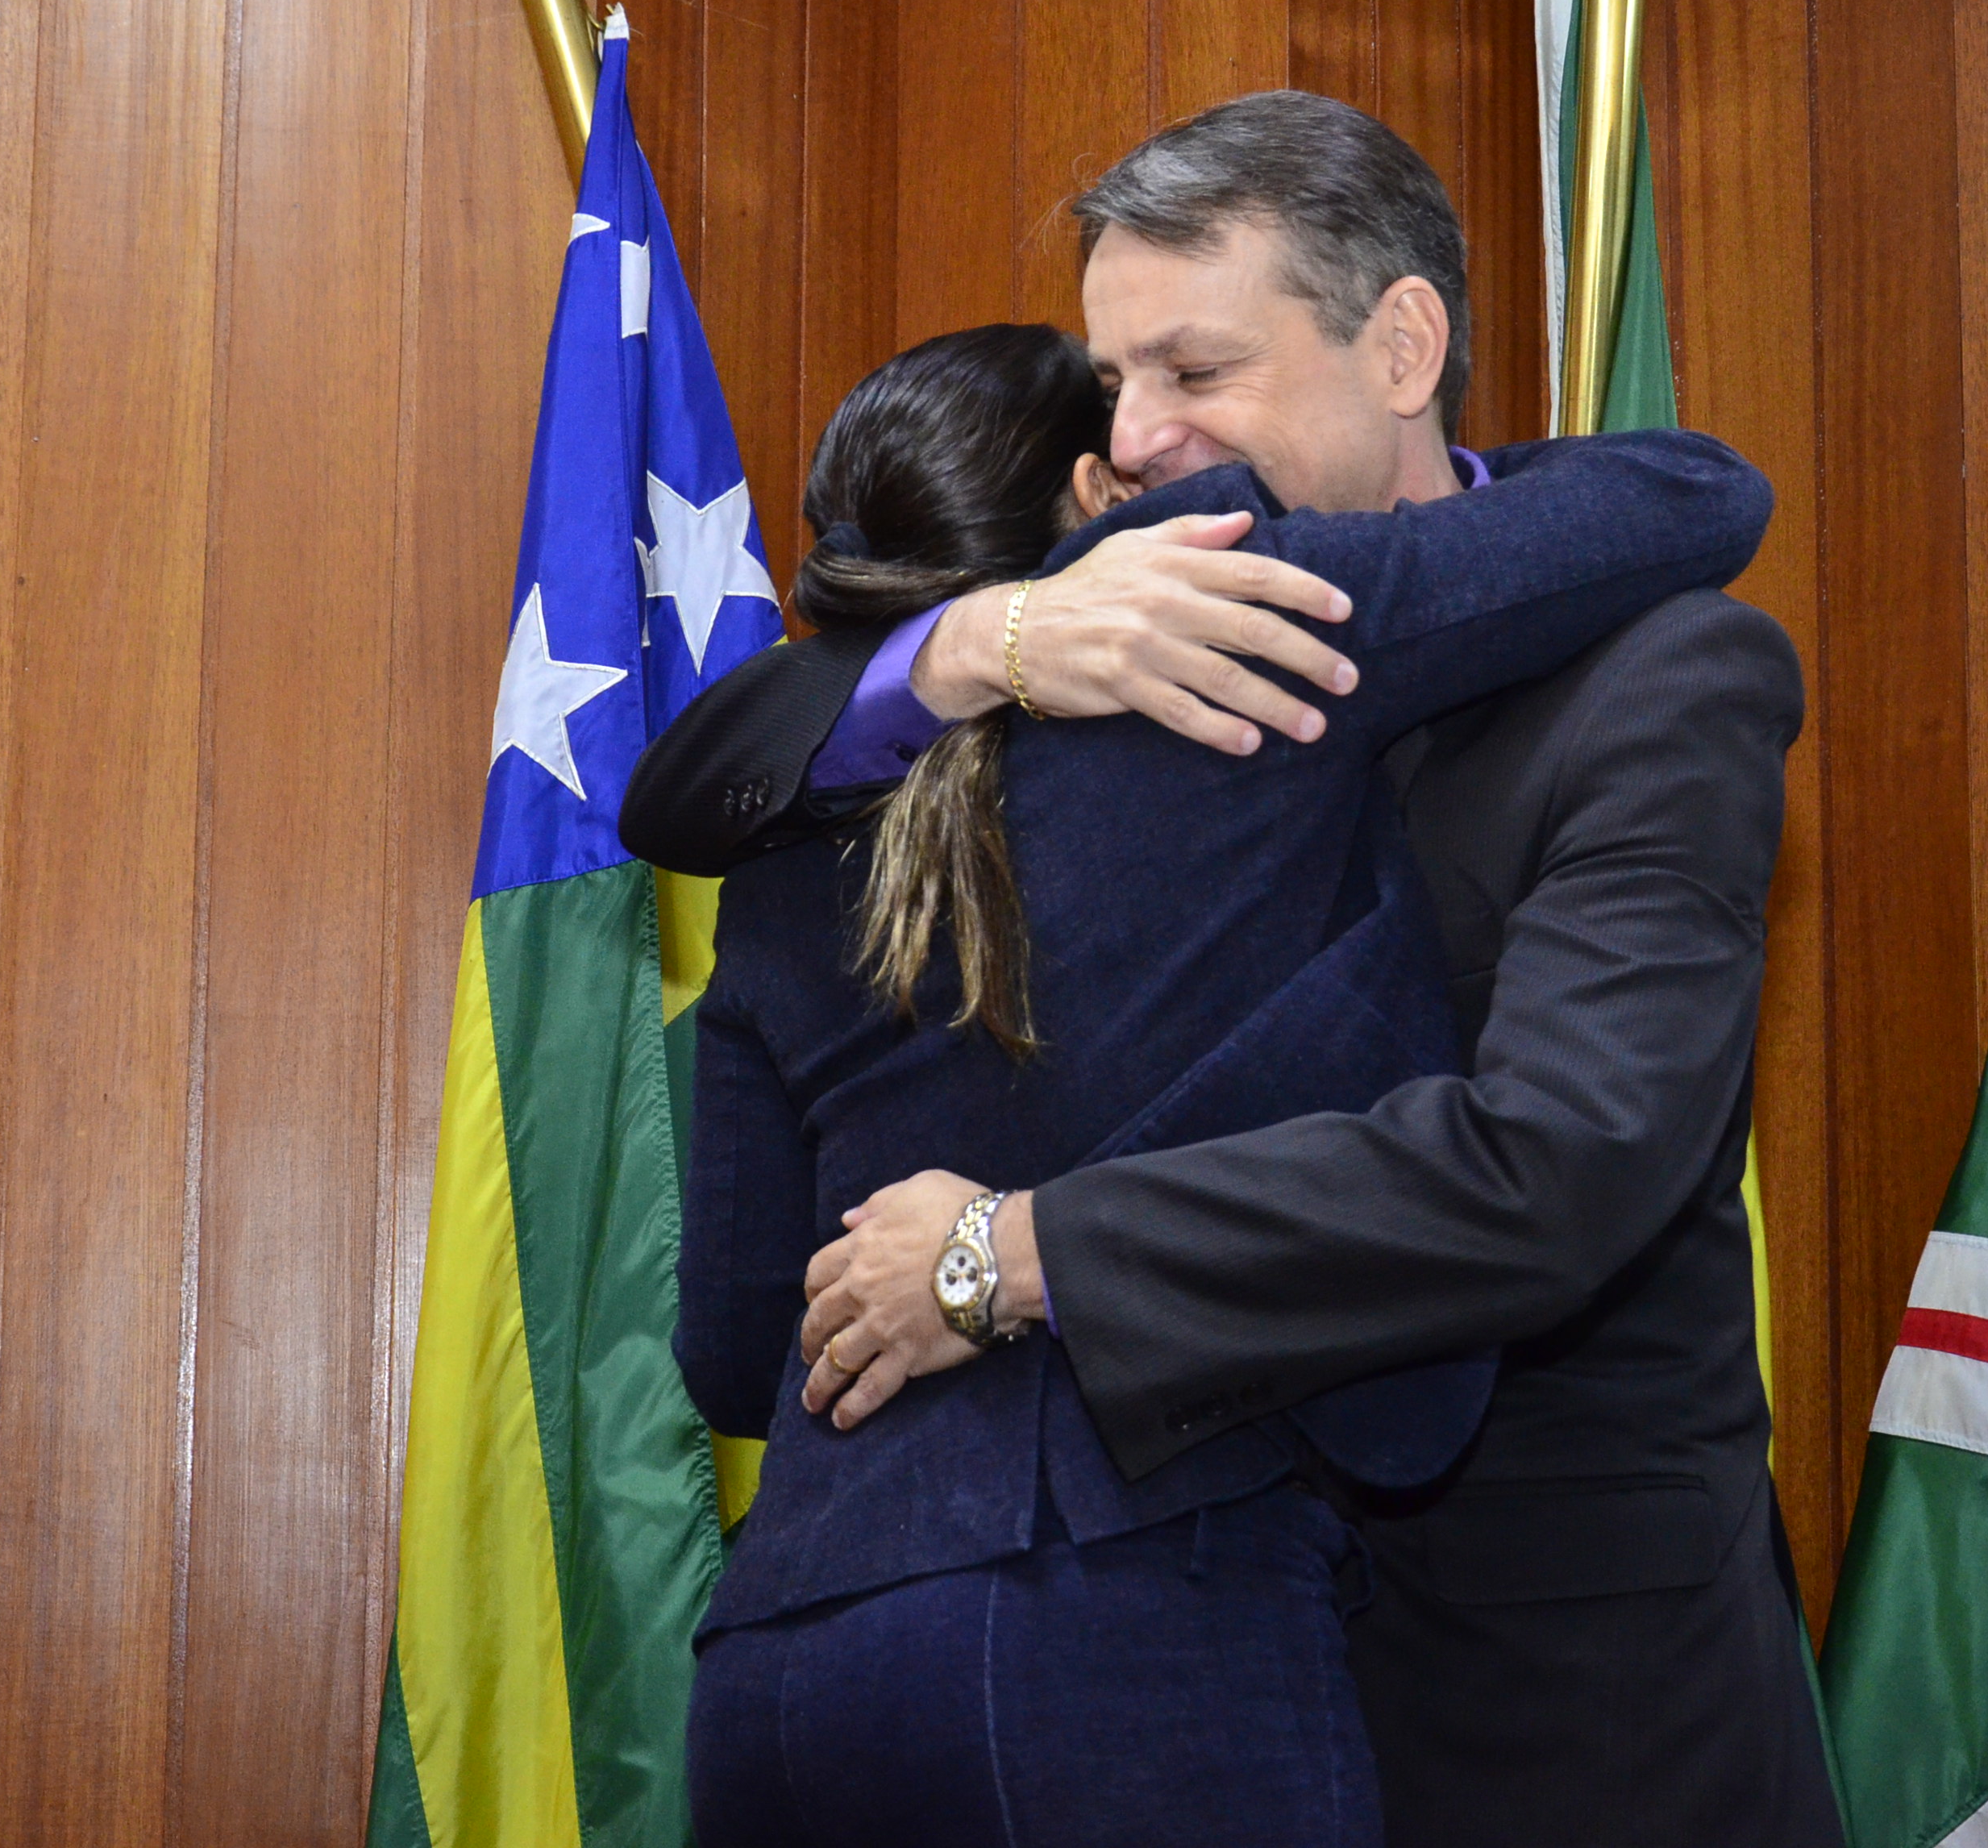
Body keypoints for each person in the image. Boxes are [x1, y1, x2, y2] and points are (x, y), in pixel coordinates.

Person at [625, 91, 1845, 1847]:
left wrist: (1014, 1250)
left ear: (1402, 343)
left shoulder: (1655, 681)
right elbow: (702, 776)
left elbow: (1562, 1164)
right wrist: (977, 636)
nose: (1136, 438)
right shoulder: (1076, 665)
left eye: (1193, 369)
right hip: (1175, 1643)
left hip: (1546, 1694)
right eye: (1110, 385)